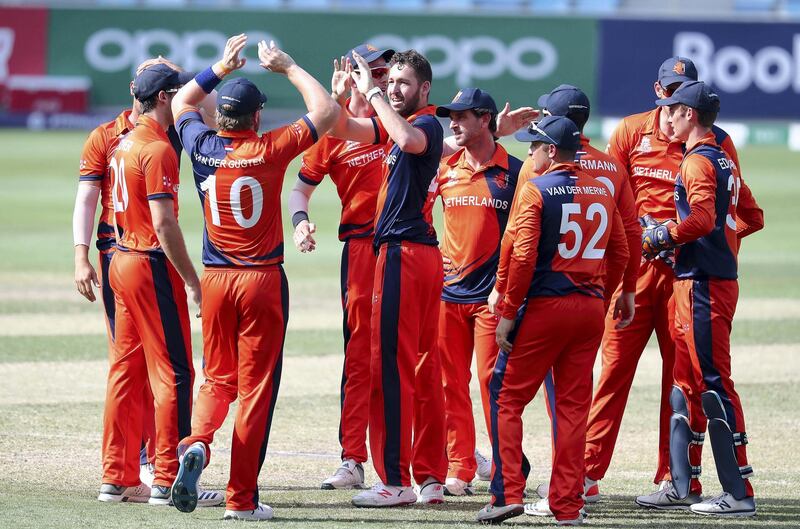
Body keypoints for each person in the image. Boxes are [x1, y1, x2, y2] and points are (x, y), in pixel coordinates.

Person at [168, 35, 339, 521]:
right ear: (256, 117)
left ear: (220, 115)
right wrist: (286, 66)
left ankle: (197, 442)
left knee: (216, 379)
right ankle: (241, 500)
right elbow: (324, 111)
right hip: (261, 279)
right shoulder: (269, 149)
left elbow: (183, 101)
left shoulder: (199, 144)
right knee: (255, 389)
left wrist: (218, 69)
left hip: (217, 279)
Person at [588, 57, 743, 499]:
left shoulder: (715, 142)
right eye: (671, 90)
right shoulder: (631, 131)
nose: (678, 99)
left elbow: (736, 212)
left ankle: (672, 476)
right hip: (635, 273)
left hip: (688, 277)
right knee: (613, 372)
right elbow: (608, 197)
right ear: (658, 92)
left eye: (686, 90)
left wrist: (713, 252)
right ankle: (587, 473)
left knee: (682, 381)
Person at [477, 115, 632, 526]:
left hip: (546, 306)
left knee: (505, 396)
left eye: (534, 147)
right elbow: (621, 253)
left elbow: (523, 257)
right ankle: (567, 506)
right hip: (588, 311)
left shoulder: (536, 190)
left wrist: (508, 312)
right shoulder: (601, 189)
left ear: (550, 151)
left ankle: (507, 493)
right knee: (572, 409)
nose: (528, 153)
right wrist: (601, 294)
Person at [74, 58, 206, 494]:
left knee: (125, 371)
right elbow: (165, 224)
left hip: (120, 258)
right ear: (165, 97)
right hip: (150, 261)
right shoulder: (157, 147)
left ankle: (117, 477)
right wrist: (190, 278)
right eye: (179, 92)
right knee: (175, 373)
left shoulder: (127, 141)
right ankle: (169, 479)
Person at [637, 80, 763, 516]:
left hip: (704, 287)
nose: (664, 117)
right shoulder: (723, 159)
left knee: (714, 387)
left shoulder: (696, 163)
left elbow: (704, 220)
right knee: (684, 385)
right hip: (699, 279)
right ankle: (681, 484)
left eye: (671, 110)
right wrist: (698, 246)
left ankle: (738, 493)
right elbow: (753, 218)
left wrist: (663, 235)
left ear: (689, 114)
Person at [514, 85, 640, 512]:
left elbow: (518, 238)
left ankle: (543, 490)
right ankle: (578, 484)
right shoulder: (611, 167)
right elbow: (630, 235)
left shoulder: (539, 166)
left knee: (526, 397)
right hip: (595, 295)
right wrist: (624, 290)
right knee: (572, 401)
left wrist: (507, 300)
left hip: (547, 295)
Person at [331, 49, 447, 507]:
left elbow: (409, 140)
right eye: (391, 81)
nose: (395, 88)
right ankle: (430, 478)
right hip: (413, 255)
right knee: (419, 366)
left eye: (403, 82)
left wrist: (375, 92)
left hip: (404, 252)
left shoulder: (427, 124)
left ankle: (396, 480)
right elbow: (343, 130)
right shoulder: (396, 124)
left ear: (424, 89)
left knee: (392, 369)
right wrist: (342, 97)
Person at [287, 43, 394, 490]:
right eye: (375, 70)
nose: (384, 78)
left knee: (423, 354)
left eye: (387, 70)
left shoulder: (395, 119)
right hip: (360, 252)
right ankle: (353, 458)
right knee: (361, 356)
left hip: (408, 247)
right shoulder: (332, 137)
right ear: (351, 74)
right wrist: (300, 223)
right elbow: (300, 189)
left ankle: (455, 451)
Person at [433, 88, 525, 497]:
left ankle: (508, 468)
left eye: (463, 116)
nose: (453, 122)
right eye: (451, 116)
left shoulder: (518, 172)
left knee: (495, 389)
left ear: (485, 119)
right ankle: (461, 466)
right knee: (450, 384)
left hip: (493, 299)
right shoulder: (444, 169)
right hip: (448, 295)